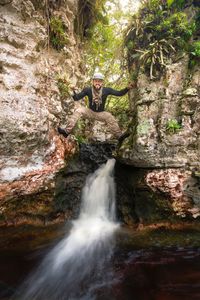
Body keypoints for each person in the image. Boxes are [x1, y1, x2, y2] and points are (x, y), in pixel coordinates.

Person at [58, 72, 136, 141]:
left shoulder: (107, 90)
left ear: (102, 82)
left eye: (99, 81)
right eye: (96, 81)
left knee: (110, 116)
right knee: (79, 110)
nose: (97, 83)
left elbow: (119, 93)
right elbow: (76, 98)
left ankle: (119, 136)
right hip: (90, 112)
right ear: (93, 82)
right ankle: (66, 131)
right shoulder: (87, 90)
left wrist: (127, 88)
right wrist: (73, 91)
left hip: (101, 113)